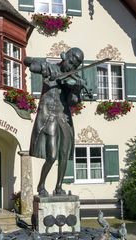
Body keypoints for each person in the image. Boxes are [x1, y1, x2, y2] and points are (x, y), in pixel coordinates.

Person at [24, 48, 92, 196]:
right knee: (52, 155)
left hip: (64, 116)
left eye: (75, 66)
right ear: (65, 57)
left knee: (64, 153)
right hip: (49, 115)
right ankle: (41, 185)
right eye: (71, 63)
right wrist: (42, 66)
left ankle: (59, 187)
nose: (71, 68)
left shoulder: (74, 78)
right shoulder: (51, 67)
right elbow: (28, 63)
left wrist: (76, 89)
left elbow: (73, 102)